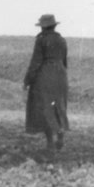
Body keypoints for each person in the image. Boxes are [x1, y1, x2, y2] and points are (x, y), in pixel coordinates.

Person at [24, 13, 69, 150]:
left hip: (45, 76)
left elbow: (36, 61)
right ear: (54, 26)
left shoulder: (41, 40)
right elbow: (65, 61)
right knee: (59, 106)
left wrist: (28, 80)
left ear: (43, 28)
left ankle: (50, 141)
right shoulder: (62, 40)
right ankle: (60, 132)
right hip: (61, 75)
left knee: (45, 107)